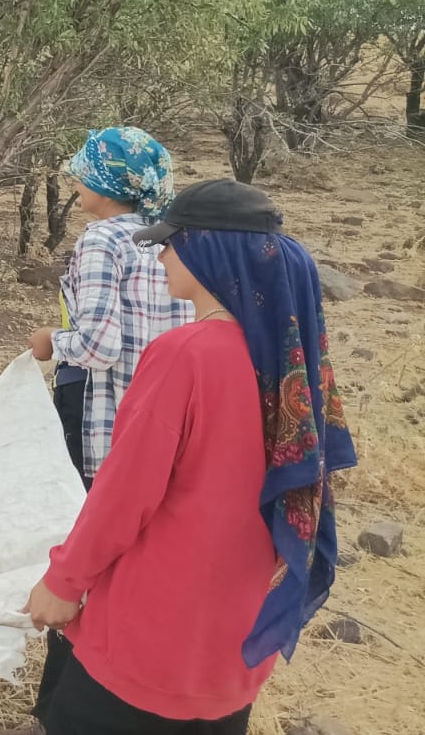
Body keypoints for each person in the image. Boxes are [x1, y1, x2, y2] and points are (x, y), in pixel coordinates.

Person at [24, 179, 357, 735]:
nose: (162, 254)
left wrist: (63, 583)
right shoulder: (289, 359)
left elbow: (123, 495)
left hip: (147, 640)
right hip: (232, 644)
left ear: (209, 251)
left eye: (171, 242)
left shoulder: (185, 356)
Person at [9, 128, 193, 733]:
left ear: (108, 185)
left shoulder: (100, 241)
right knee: (133, 562)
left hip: (104, 420)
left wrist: (47, 343)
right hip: (164, 427)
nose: (75, 183)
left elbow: (95, 342)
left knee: (84, 563)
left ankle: (60, 711)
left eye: (84, 174)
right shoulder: (172, 242)